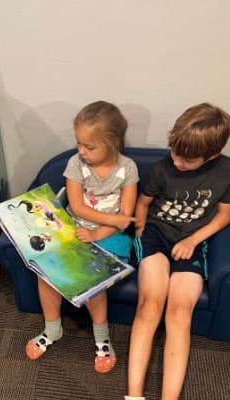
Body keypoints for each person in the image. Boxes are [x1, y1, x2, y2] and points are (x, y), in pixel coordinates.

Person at [126, 103, 230, 400]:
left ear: (213, 155)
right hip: (156, 235)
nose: (177, 161)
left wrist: (193, 240)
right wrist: (139, 231)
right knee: (149, 305)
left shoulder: (226, 171)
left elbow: (224, 215)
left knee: (179, 313)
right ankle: (134, 395)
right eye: (174, 152)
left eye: (187, 159)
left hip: (193, 240)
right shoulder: (163, 168)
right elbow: (144, 204)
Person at [25, 101, 138, 374]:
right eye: (79, 143)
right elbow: (77, 207)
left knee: (91, 277)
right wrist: (112, 221)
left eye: (90, 146)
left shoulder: (128, 169)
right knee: (46, 273)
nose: (82, 151)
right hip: (74, 230)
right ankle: (52, 329)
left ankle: (102, 339)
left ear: (112, 143)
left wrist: (100, 232)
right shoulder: (75, 164)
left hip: (111, 237)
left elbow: (128, 214)